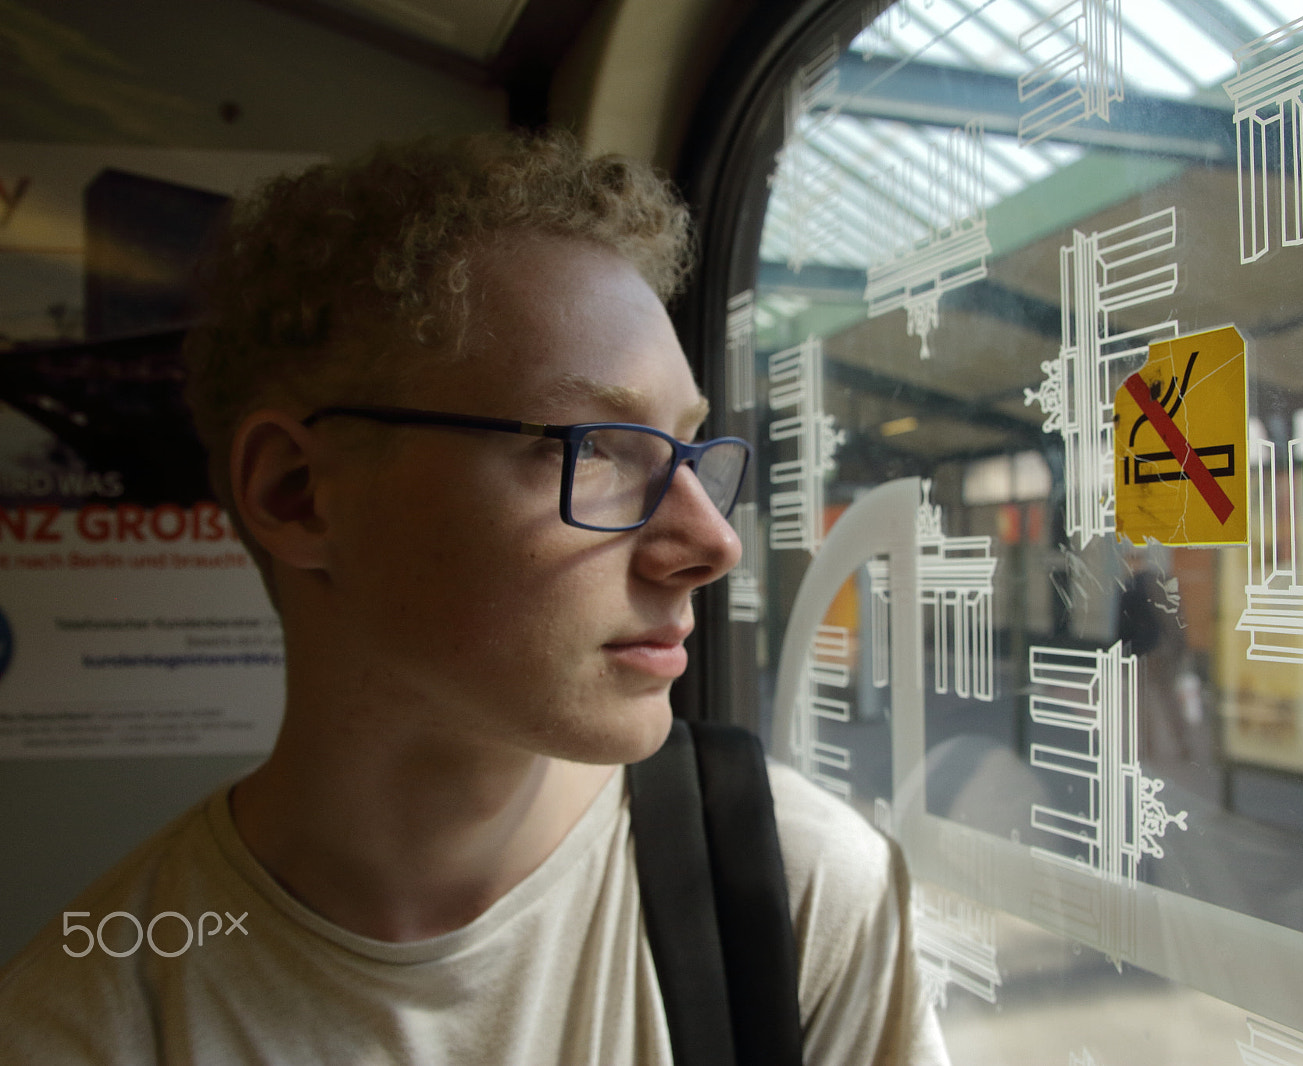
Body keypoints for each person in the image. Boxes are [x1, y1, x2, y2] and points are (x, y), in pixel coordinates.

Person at [0, 130, 948, 1065]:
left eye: (691, 450)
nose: (712, 542)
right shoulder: (85, 1022)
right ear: (298, 492)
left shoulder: (793, 896)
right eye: (593, 447)